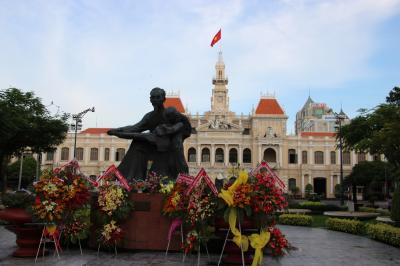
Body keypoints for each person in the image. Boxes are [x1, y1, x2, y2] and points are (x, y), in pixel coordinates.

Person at [107, 88, 191, 180]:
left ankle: (181, 178)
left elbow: (184, 126)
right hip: (152, 144)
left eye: (158, 97)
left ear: (164, 98)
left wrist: (174, 135)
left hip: (168, 149)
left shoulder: (170, 114)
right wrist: (117, 130)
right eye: (153, 97)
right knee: (137, 143)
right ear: (150, 100)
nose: (156, 100)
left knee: (175, 145)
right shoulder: (149, 117)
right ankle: (133, 179)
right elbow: (135, 128)